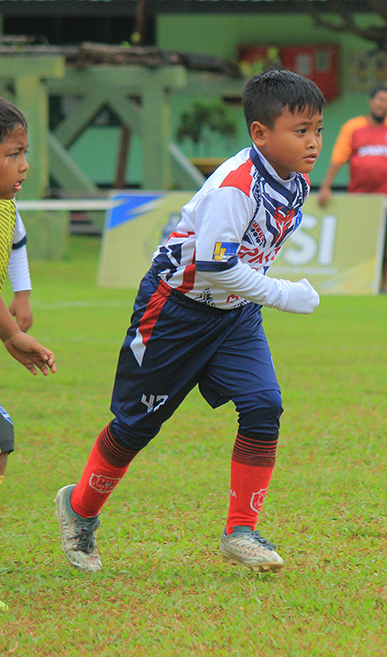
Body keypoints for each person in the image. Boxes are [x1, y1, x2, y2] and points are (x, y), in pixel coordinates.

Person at [53, 70, 324, 574]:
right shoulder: (236, 186)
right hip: (174, 311)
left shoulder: (297, 183)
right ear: (260, 134)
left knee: (264, 405)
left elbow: (243, 265)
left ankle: (241, 531)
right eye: (301, 130)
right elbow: (216, 265)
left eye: (318, 130)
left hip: (234, 315)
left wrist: (263, 292)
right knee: (137, 426)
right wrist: (284, 295)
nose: (313, 142)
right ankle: (80, 509)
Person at [0, 96, 58, 497]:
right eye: (13, 153)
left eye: (25, 153)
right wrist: (10, 335)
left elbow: (15, 246)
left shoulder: (7, 206)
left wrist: (23, 295)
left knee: (2, 437)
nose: (25, 165)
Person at [317, 86, 387, 293]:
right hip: (361, 196)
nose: (383, 105)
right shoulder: (353, 126)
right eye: (381, 100)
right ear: (371, 101)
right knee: (360, 241)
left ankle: (384, 286)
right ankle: (359, 284)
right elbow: (339, 157)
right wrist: (326, 186)